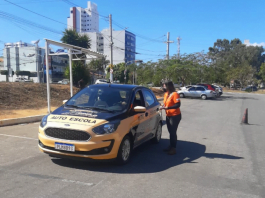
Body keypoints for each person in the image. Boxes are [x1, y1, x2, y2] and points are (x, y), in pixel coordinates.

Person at [160, 81, 182, 155]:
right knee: (170, 131)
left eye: (164, 86)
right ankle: (171, 146)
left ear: (168, 86)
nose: (163, 87)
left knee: (173, 132)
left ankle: (173, 148)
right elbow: (165, 103)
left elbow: (178, 105)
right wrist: (163, 106)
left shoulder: (175, 94)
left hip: (175, 116)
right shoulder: (166, 94)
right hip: (168, 115)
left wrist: (168, 107)